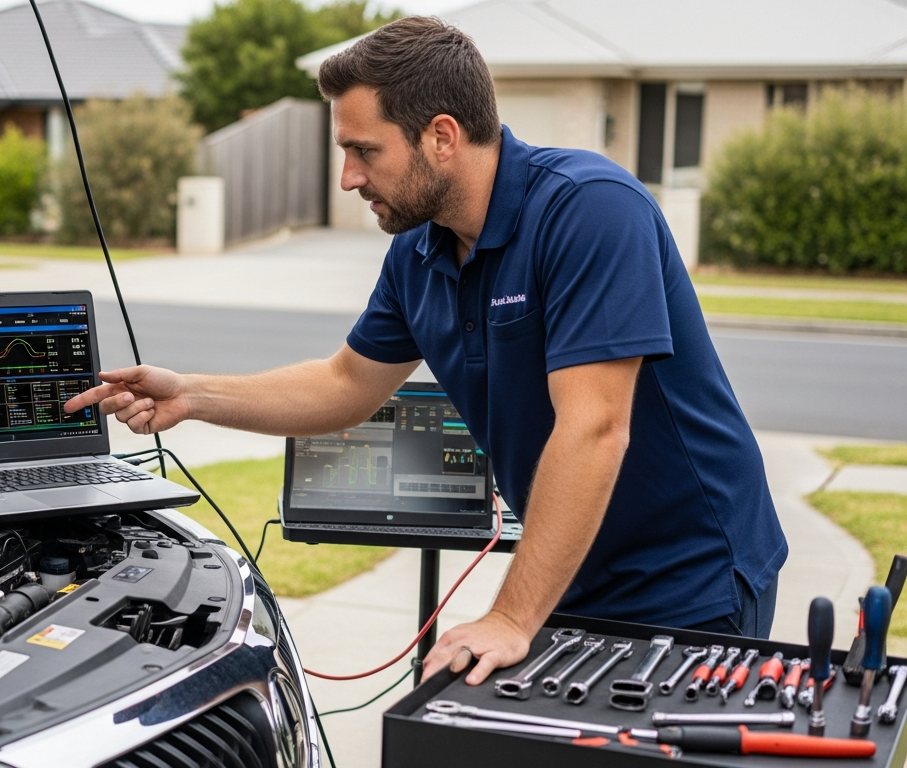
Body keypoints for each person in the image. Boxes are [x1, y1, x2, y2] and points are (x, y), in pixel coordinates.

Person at [64, 16, 786, 686]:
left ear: (441, 135)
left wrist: (511, 615)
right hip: (569, 570)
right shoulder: (418, 251)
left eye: (363, 151)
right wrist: (191, 395)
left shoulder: (590, 209)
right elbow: (347, 382)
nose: (348, 177)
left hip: (689, 580)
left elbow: (594, 427)